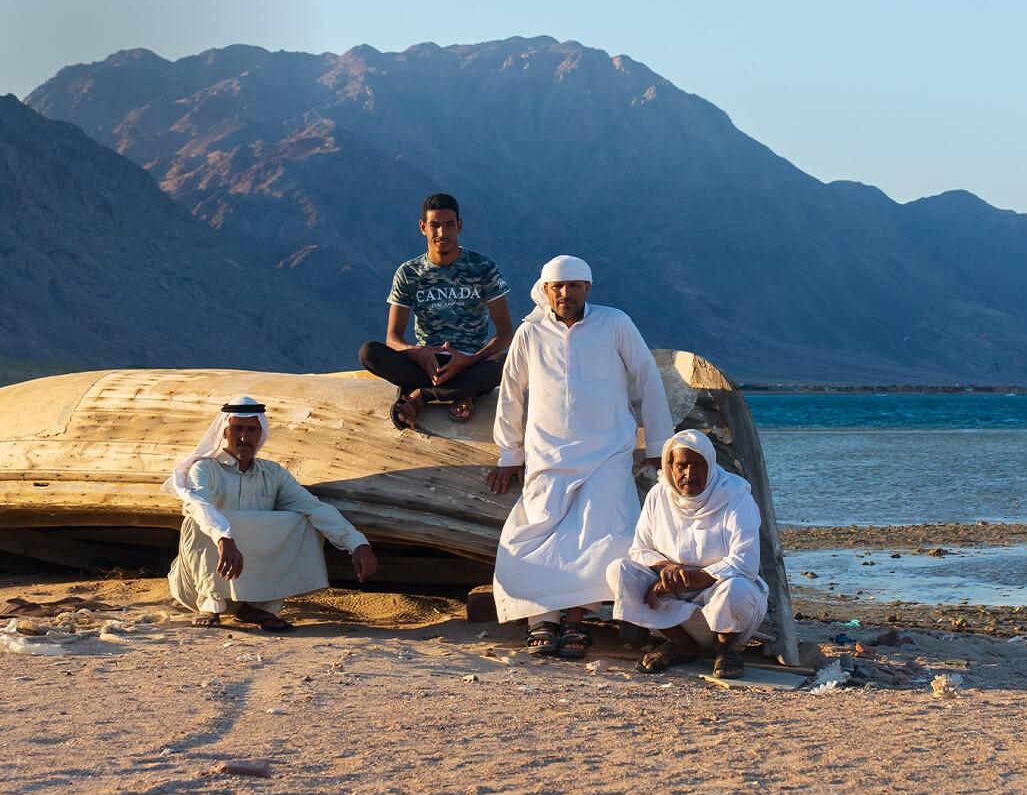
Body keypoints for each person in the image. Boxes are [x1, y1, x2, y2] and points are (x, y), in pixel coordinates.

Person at [486, 255, 674, 659]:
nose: (565, 293)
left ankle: (577, 619)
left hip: (608, 451)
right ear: (546, 289)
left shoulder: (615, 323)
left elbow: (647, 376)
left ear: (588, 287)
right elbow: (511, 391)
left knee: (607, 533)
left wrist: (660, 446)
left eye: (573, 285)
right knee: (534, 534)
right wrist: (508, 454)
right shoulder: (530, 332)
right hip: (546, 454)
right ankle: (543, 619)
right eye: (557, 286)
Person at [163, 396, 378, 631]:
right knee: (200, 518)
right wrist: (224, 538)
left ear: (260, 433)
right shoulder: (204, 469)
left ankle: (260, 608)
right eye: (237, 429)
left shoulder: (273, 474)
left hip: (252, 582)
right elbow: (199, 504)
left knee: (302, 520)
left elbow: (314, 507)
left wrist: (358, 543)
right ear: (225, 432)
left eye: (251, 430)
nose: (244, 437)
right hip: (197, 584)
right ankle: (211, 605)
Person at [606, 429, 769, 679]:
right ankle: (682, 644)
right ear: (670, 467)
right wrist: (665, 570)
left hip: (721, 602)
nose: (689, 474)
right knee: (619, 571)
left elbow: (745, 563)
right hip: (673, 613)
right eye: (682, 465)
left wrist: (685, 582)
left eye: (697, 465)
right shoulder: (658, 496)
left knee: (738, 588)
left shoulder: (735, 496)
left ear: (710, 466)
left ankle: (725, 649)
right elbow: (639, 550)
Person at [359, 192, 513, 430]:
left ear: (459, 226)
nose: (442, 233)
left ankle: (422, 396)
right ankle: (465, 393)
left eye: (449, 225)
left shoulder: (483, 268)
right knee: (368, 352)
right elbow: (393, 338)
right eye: (435, 225)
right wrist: (418, 353)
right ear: (423, 227)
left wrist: (468, 360)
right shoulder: (408, 273)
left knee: (510, 362)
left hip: (471, 362)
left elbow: (505, 333)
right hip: (425, 364)